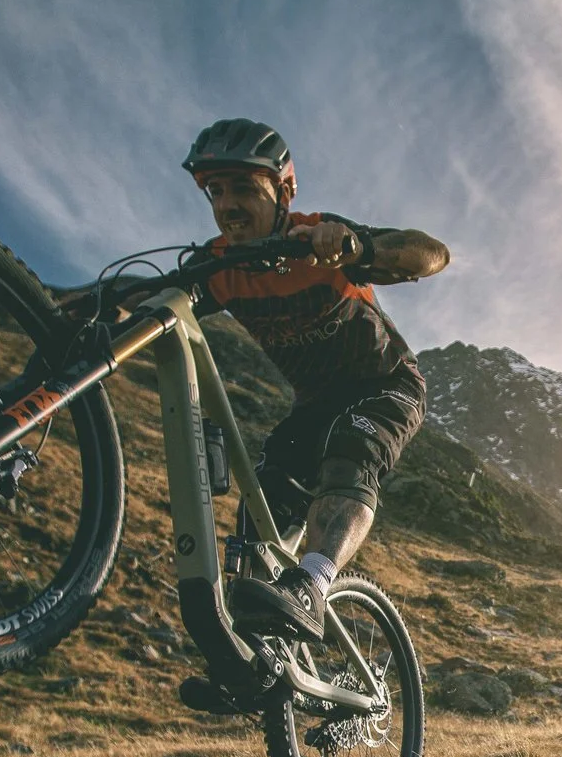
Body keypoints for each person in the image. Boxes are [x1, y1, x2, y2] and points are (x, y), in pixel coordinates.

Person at [180, 117, 448, 639]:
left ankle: (313, 583)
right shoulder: (220, 268)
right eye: (216, 191)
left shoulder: (316, 238)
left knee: (351, 454)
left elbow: (432, 253)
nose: (227, 205)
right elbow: (154, 301)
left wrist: (357, 249)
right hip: (314, 405)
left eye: (244, 188)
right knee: (262, 506)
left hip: (386, 383)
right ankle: (255, 654)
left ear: (283, 191)